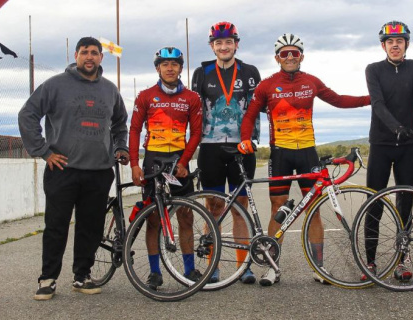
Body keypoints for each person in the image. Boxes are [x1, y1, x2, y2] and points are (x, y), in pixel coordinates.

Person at [239, 33, 371, 286]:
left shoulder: (311, 81)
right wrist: (245, 138)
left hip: (307, 151)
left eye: (294, 53)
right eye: (284, 53)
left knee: (314, 209)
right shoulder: (266, 85)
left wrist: (369, 99)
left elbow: (339, 100)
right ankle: (272, 267)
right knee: (277, 207)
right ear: (277, 57)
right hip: (280, 153)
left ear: (302, 56)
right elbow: (250, 115)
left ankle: (318, 268)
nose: (289, 57)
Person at [19, 36, 129, 301]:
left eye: (94, 52)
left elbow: (120, 123)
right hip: (63, 170)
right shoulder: (55, 85)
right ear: (75, 55)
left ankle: (82, 276)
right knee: (56, 225)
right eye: (84, 52)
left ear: (101, 57)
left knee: (90, 227)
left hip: (100, 171)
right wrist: (44, 152)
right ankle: (48, 279)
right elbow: (28, 114)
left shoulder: (110, 90)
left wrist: (121, 147)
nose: (89, 57)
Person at [191, 21, 261, 285]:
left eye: (228, 42)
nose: (224, 46)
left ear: (236, 44)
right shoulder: (202, 72)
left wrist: (253, 139)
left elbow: (256, 109)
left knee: (240, 206)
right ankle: (214, 266)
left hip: (242, 147)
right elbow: (195, 111)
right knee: (214, 206)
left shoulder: (251, 71)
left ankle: (244, 266)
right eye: (218, 43)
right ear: (212, 46)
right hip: (210, 146)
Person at [129, 46, 203, 289]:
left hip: (179, 159)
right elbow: (134, 130)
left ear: (181, 68)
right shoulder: (146, 96)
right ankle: (154, 272)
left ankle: (189, 270)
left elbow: (196, 133)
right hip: (153, 159)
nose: (170, 68)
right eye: (165, 64)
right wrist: (134, 164)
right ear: (157, 68)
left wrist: (183, 162)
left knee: (186, 216)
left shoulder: (191, 98)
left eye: (174, 64)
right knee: (153, 218)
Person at [363, 21, 413, 282]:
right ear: (383, 45)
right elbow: (377, 103)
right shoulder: (374, 69)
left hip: (407, 145)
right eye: (390, 42)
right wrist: (396, 127)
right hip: (381, 143)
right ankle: (369, 261)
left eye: (399, 41)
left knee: (405, 202)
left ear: (406, 45)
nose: (395, 45)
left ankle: (402, 260)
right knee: (375, 201)